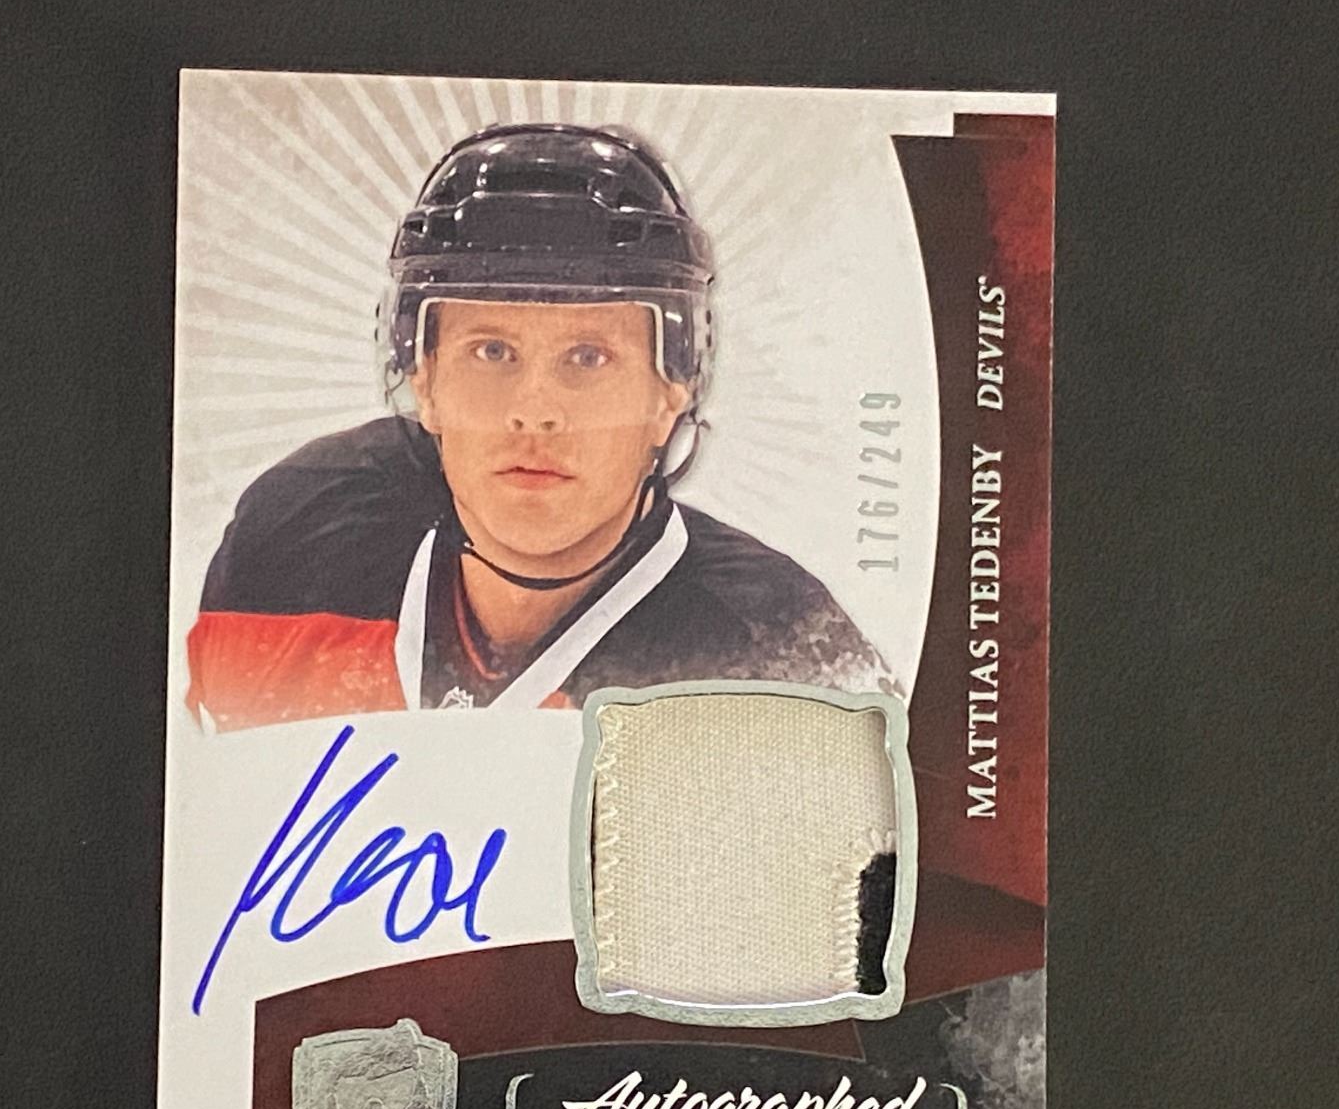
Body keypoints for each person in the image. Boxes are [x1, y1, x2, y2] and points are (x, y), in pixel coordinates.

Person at [187, 122, 887, 729]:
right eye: (492, 352)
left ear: (670, 392)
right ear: (423, 379)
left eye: (588, 356)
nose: (535, 411)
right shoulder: (291, 544)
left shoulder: (785, 662)